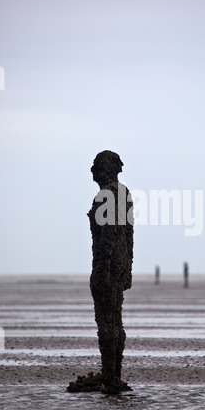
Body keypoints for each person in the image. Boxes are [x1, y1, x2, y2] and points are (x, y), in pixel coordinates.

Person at [88, 150, 134, 393]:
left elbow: (107, 238)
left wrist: (103, 270)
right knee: (116, 320)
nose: (92, 170)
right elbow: (128, 236)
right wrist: (127, 269)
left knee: (107, 322)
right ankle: (114, 376)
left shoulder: (104, 196)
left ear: (106, 168)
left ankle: (110, 377)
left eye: (96, 165)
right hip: (119, 267)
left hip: (106, 268)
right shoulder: (124, 194)